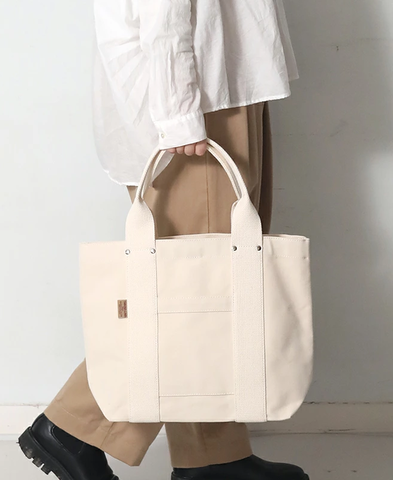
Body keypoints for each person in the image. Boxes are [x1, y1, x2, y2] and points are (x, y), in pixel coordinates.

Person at [18, 1, 310, 479]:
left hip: (225, 78)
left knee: (217, 297)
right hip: (199, 96)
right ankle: (73, 426)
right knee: (196, 293)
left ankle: (212, 457)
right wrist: (179, 113)